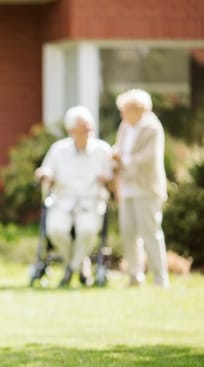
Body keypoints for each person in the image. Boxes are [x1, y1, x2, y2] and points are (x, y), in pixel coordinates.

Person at [35, 105, 113, 287]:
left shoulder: (102, 150)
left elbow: (112, 177)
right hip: (62, 201)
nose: (88, 132)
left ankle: (70, 270)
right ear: (71, 131)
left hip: (91, 202)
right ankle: (80, 265)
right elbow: (46, 170)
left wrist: (107, 178)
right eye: (84, 128)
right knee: (56, 230)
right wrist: (44, 174)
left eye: (89, 128)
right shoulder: (58, 150)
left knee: (87, 231)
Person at [112, 88, 170, 288]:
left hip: (147, 188)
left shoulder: (152, 127)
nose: (122, 114)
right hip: (127, 187)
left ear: (138, 109)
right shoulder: (125, 126)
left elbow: (149, 159)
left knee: (150, 232)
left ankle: (160, 278)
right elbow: (118, 148)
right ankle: (135, 276)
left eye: (125, 110)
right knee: (128, 232)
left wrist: (123, 160)